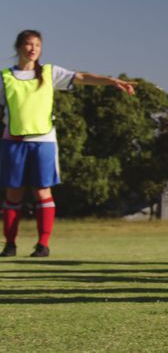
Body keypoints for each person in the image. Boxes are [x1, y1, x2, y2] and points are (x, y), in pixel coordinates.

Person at [1, 30, 137, 258]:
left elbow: (82, 78)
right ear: (18, 47)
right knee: (13, 194)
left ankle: (42, 245)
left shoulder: (49, 72)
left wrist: (111, 81)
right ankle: (10, 245)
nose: (33, 48)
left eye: (37, 45)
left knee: (42, 192)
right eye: (28, 44)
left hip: (43, 142)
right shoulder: (5, 76)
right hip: (13, 142)